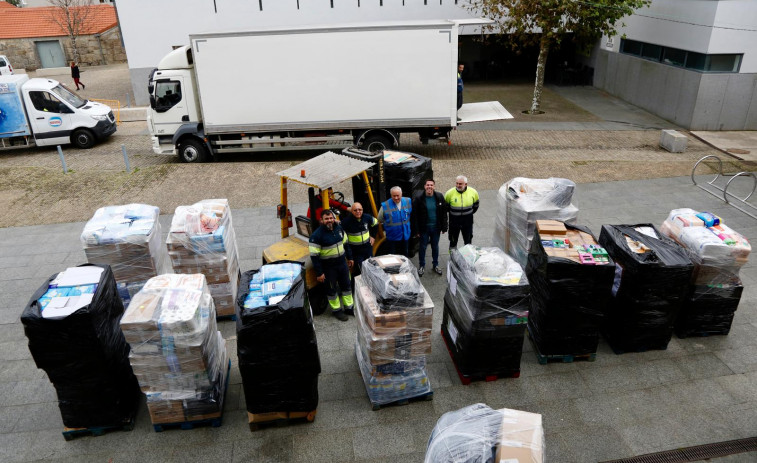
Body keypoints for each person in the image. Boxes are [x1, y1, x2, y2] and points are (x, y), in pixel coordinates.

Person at [309, 209, 353, 321]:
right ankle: (337, 311)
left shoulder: (339, 229)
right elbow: (314, 257)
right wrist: (319, 273)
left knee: (347, 286)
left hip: (342, 264)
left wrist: (350, 258)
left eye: (331, 218)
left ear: (334, 218)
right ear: (321, 220)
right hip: (329, 267)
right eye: (326, 219)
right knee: (331, 289)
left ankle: (349, 308)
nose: (329, 220)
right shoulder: (316, 236)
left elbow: (346, 244)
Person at [411, 179, 447, 277]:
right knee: (422, 247)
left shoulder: (439, 197)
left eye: (431, 185)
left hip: (436, 228)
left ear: (434, 187)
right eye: (428, 185)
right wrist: (416, 230)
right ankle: (422, 266)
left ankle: (435, 265)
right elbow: (414, 215)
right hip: (424, 229)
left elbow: (444, 213)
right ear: (424, 186)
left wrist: (444, 227)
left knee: (435, 247)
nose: (429, 187)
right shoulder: (419, 199)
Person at [341, 202, 378, 277]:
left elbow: (376, 223)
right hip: (356, 252)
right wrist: (349, 256)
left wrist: (373, 236)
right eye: (355, 210)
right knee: (360, 271)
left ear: (362, 210)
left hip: (368, 249)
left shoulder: (367, 217)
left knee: (371, 268)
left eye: (360, 209)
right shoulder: (346, 222)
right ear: (351, 211)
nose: (358, 212)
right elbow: (342, 238)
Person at [445, 175, 479, 250]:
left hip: (467, 223)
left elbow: (476, 206)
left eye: (460, 184)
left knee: (468, 242)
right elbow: (446, 208)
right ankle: (452, 259)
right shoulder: (449, 193)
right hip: (453, 223)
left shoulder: (473, 192)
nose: (458, 185)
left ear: (466, 184)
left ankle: (468, 259)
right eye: (457, 183)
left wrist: (468, 214)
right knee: (453, 242)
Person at [378, 186, 412, 258]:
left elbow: (410, 214)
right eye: (394, 196)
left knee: (405, 256)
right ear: (391, 195)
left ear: (401, 194)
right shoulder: (385, 205)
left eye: (398, 195)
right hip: (392, 237)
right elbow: (380, 218)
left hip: (405, 235)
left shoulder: (408, 201)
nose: (396, 198)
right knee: (392, 257)